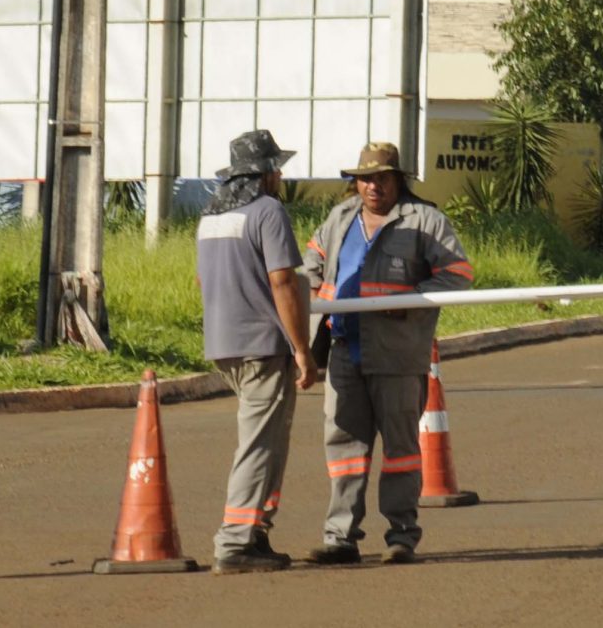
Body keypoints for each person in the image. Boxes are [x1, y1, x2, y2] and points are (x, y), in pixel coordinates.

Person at [301, 141, 474, 565]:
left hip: (397, 355)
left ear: (398, 180)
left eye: (381, 178)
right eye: (365, 178)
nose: (373, 186)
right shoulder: (339, 219)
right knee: (343, 448)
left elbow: (458, 275)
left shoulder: (426, 221)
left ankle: (401, 536)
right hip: (345, 351)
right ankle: (340, 537)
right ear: (355, 183)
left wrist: (412, 298)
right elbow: (311, 268)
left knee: (400, 450)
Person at [194, 128, 318, 575]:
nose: (280, 175)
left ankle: (256, 531)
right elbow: (282, 281)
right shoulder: (268, 212)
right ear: (265, 174)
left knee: (270, 441)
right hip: (263, 345)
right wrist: (302, 349)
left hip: (223, 343)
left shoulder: (210, 218)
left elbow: (203, 282)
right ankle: (234, 541)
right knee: (259, 444)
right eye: (276, 168)